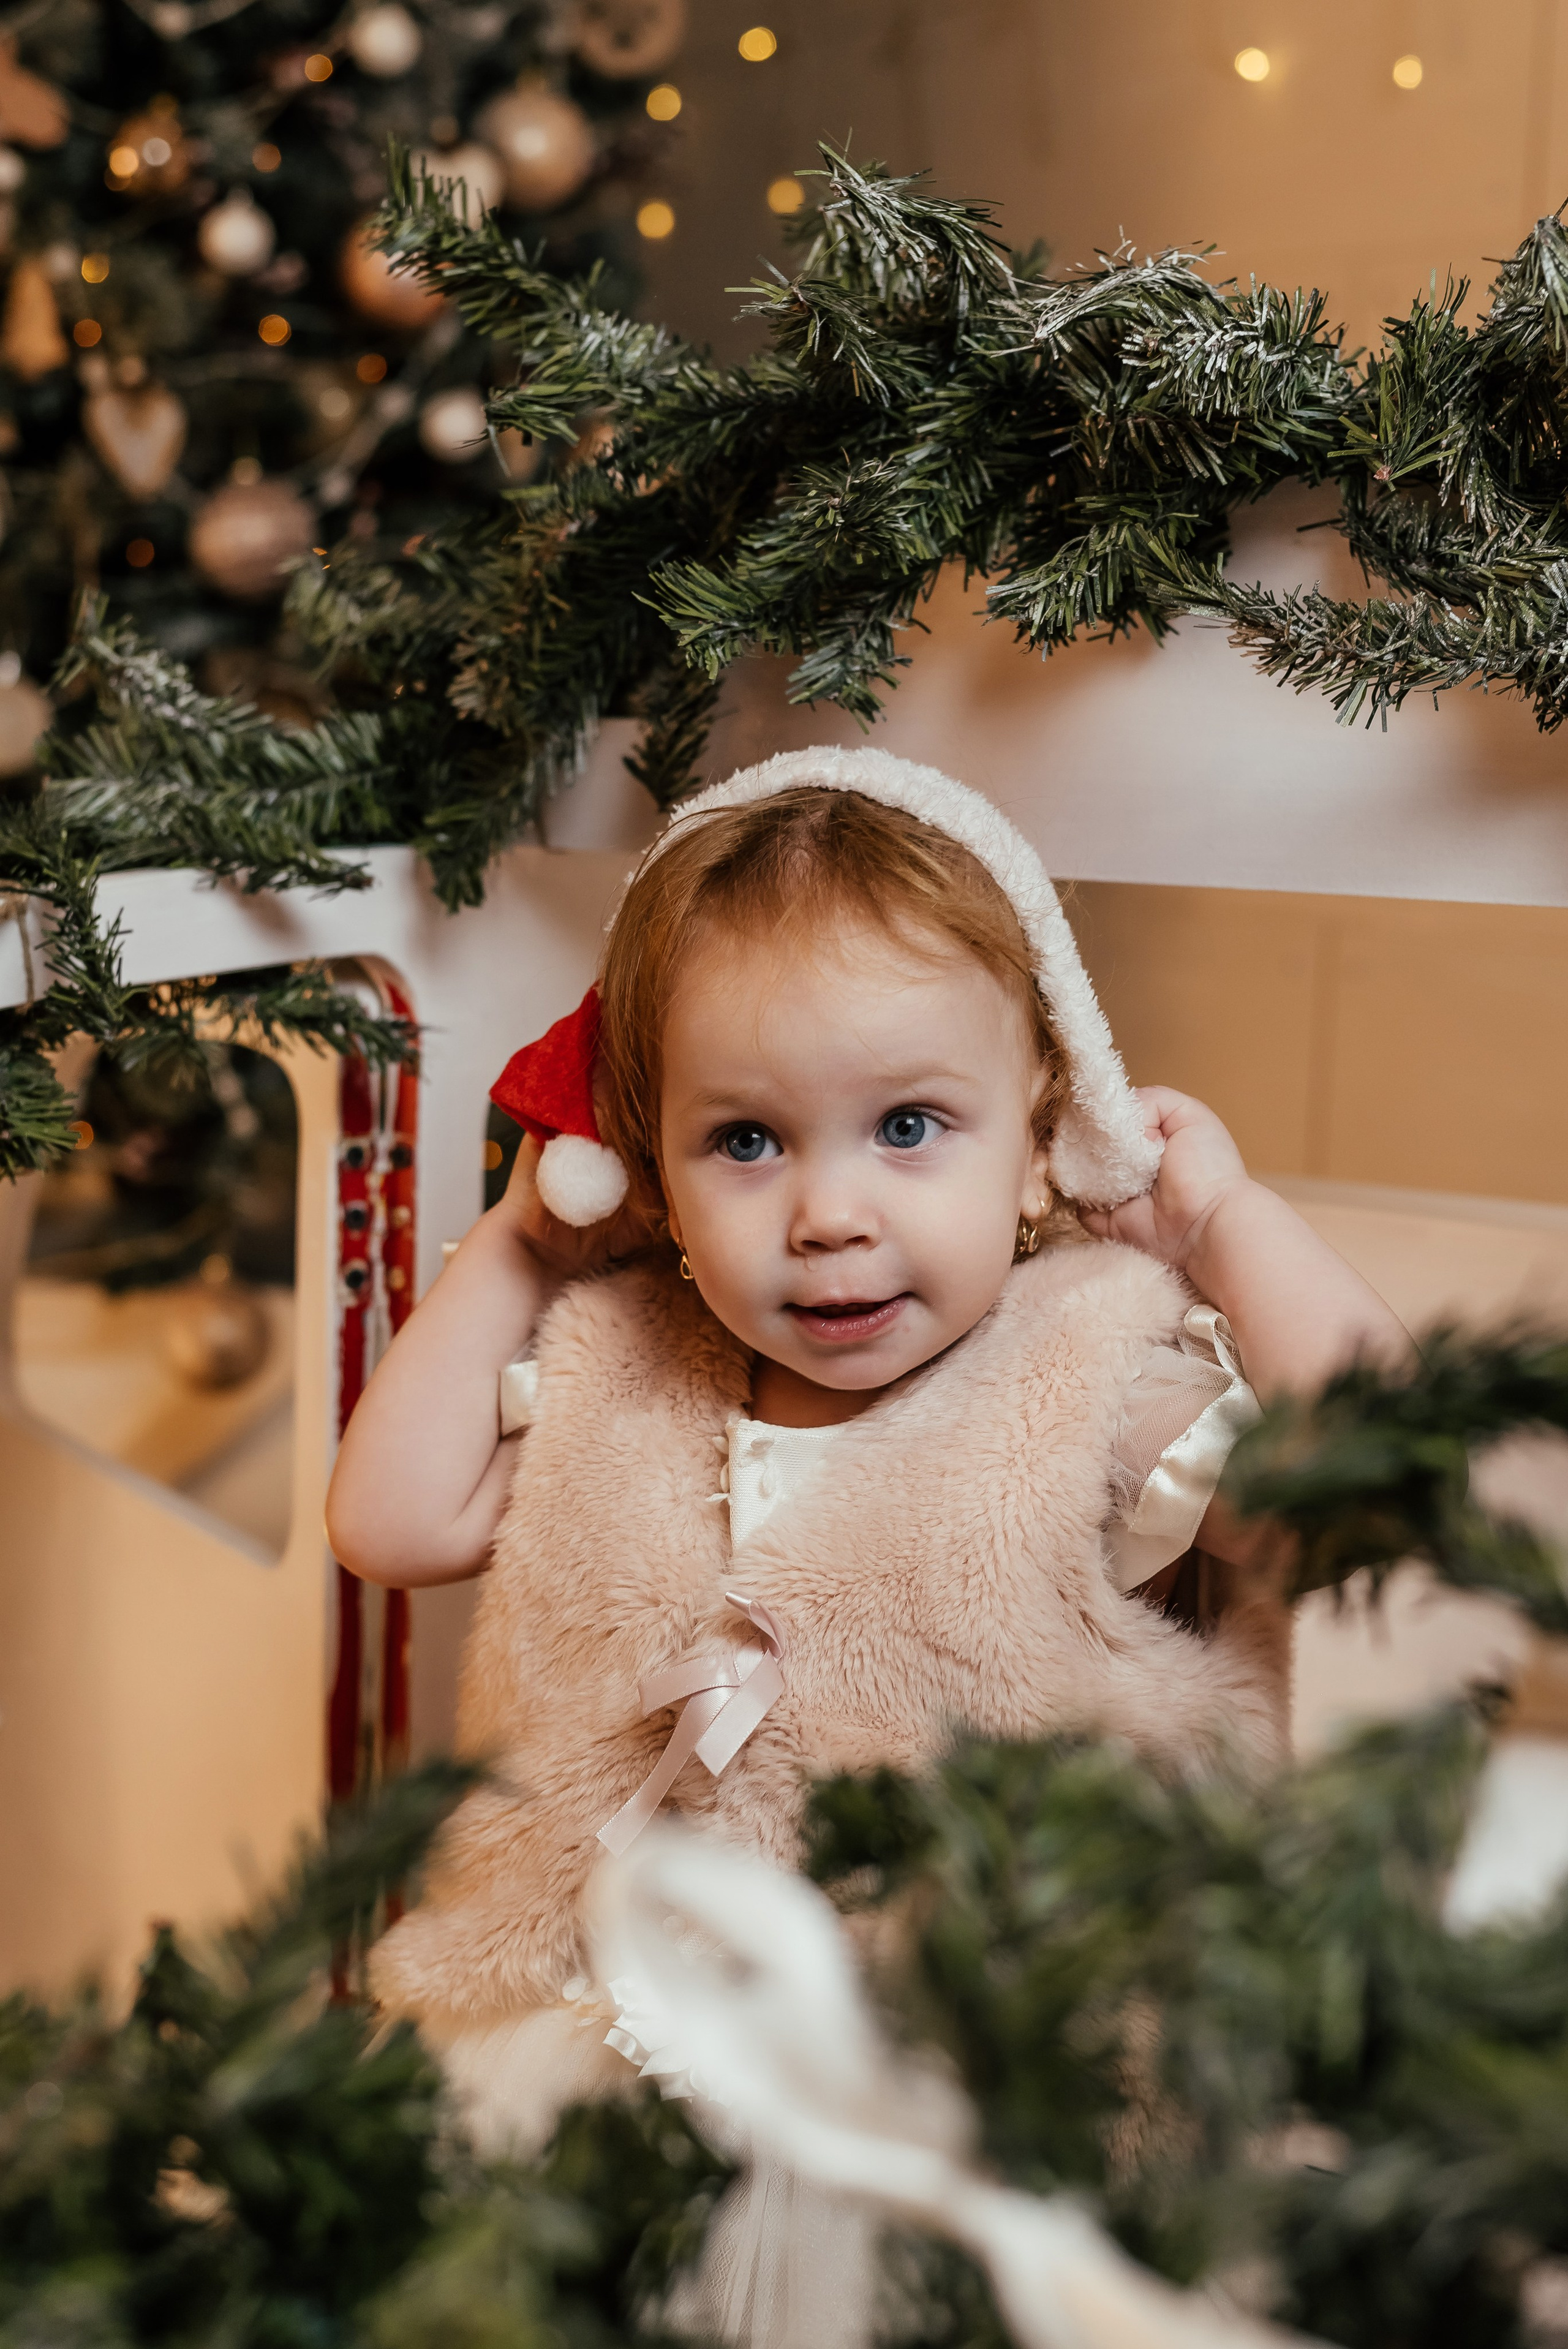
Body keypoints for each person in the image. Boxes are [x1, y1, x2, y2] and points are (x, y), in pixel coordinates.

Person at [326, 747, 1405, 2333]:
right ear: (646, 1164)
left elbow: (1382, 1470)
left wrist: (1223, 1227)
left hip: (950, 2087)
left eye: (908, 1124)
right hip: (621, 2046)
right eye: (746, 1142)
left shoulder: (1094, 1379)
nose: (828, 1212)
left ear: (1044, 1135)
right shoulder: (627, 1353)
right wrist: (524, 1237)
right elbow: (388, 1518)